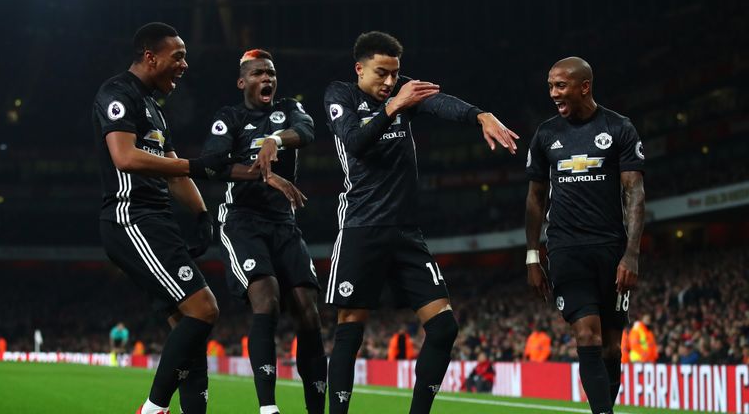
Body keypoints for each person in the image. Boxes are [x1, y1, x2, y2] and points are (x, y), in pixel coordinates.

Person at [324, 31, 519, 414]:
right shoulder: (340, 95)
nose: (389, 81)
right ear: (359, 68)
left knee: (444, 327)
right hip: (361, 228)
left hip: (406, 231)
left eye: (394, 74)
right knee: (350, 326)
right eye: (381, 73)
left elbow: (440, 102)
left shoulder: (401, 95)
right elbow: (354, 141)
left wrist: (479, 114)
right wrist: (393, 105)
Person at [94, 22, 235, 414]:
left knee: (190, 334)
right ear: (150, 56)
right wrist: (197, 165)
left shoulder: (155, 109)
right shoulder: (117, 93)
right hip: (131, 218)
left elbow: (172, 167)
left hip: (156, 221)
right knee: (205, 309)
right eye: (178, 57)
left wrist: (203, 213)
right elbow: (124, 157)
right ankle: (152, 410)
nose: (185, 65)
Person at [201, 49, 326, 414]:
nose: (267, 79)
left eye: (271, 73)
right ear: (243, 82)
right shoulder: (229, 118)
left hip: (283, 223)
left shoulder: (288, 109)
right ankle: (268, 409)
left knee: (308, 310)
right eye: (258, 74)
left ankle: (316, 410)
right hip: (241, 220)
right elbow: (212, 164)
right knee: (267, 299)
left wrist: (275, 141)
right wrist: (262, 173)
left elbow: (307, 130)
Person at [525, 57, 646, 414]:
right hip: (565, 249)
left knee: (611, 347)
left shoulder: (619, 128)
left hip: (611, 249)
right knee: (587, 336)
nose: (553, 94)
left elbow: (634, 192)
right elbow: (535, 197)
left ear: (584, 86)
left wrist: (632, 253)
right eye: (550, 86)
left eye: (560, 86)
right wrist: (533, 255)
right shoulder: (546, 134)